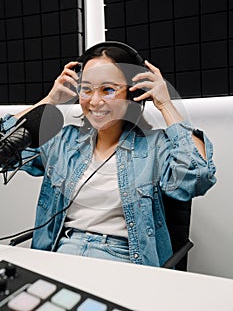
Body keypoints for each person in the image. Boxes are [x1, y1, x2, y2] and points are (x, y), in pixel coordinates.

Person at [0, 41, 216, 267]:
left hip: (125, 261)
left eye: (108, 90)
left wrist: (165, 104)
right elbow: (3, 148)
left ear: (133, 93)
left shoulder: (156, 146)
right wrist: (50, 100)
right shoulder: (62, 141)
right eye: (86, 89)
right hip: (61, 253)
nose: (95, 101)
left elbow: (196, 177)